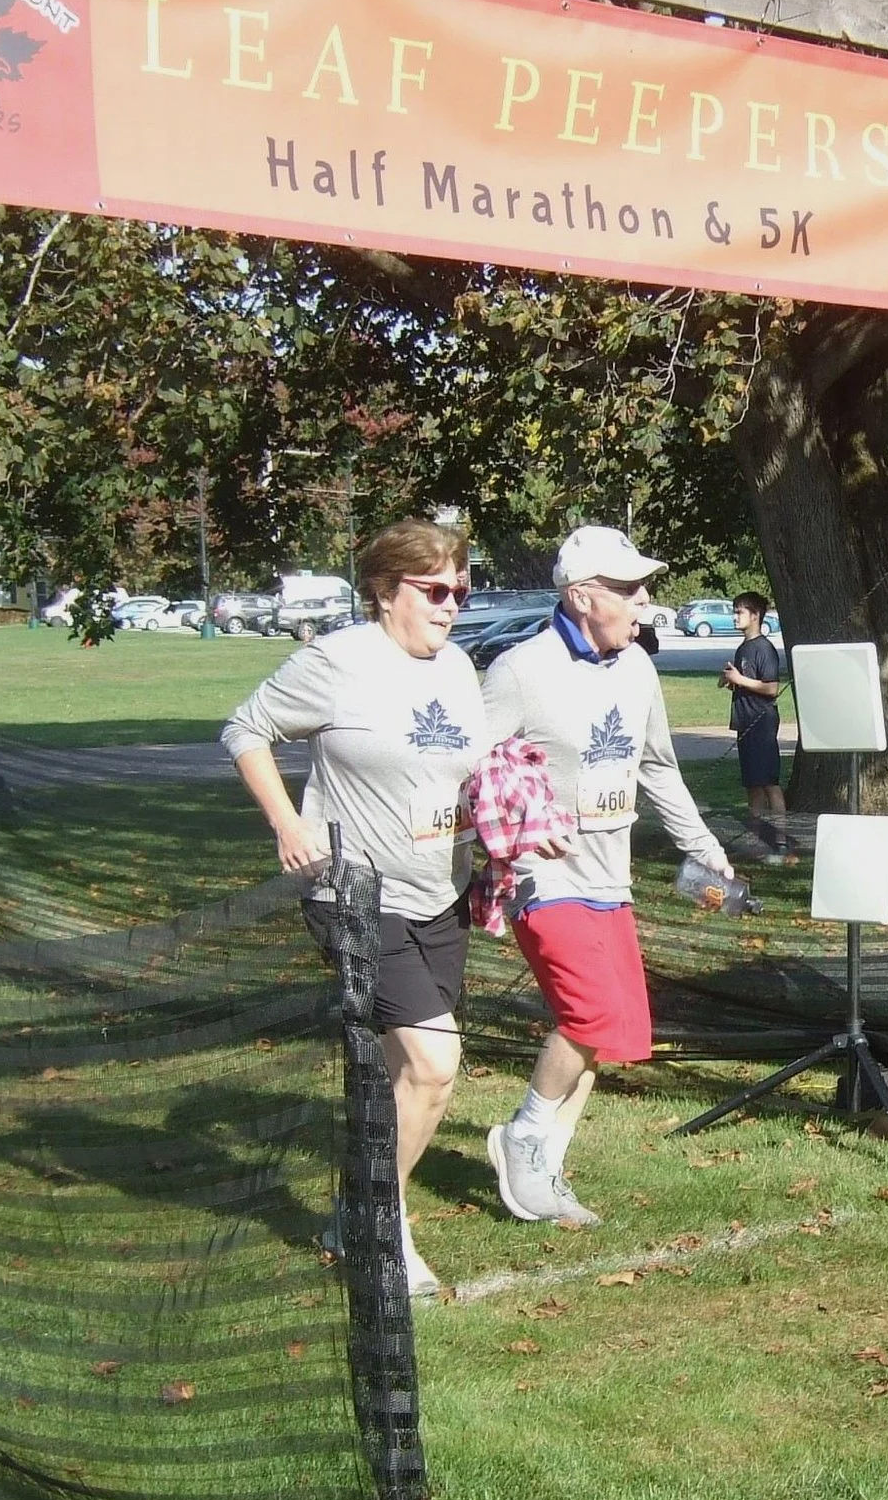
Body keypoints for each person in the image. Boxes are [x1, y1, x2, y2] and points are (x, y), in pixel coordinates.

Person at [223, 518, 490, 1297]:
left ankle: (358, 1204)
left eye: (460, 592)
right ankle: (381, 1221)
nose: (450, 606)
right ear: (384, 589)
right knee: (436, 1061)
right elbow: (246, 728)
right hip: (357, 894)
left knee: (418, 1070)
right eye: (434, 590)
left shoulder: (461, 667)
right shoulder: (337, 661)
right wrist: (287, 821)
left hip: (443, 892)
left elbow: (463, 767)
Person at [480, 526, 733, 1227]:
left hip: (608, 880)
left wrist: (702, 846)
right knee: (588, 1013)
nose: (644, 600)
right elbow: (466, 770)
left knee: (609, 1031)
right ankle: (523, 1136)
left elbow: (656, 767)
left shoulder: (638, 669)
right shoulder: (518, 671)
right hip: (541, 878)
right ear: (582, 596)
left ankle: (545, 1168)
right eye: (628, 589)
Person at [720, 590, 787, 860]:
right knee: (752, 783)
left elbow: (772, 688)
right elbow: (746, 681)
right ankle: (755, 837)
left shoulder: (764, 649)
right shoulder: (742, 648)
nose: (735, 617)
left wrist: (740, 679)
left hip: (761, 722)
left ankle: (781, 839)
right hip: (745, 721)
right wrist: (730, 680)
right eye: (735, 611)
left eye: (740, 612)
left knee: (769, 782)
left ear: (755, 615)